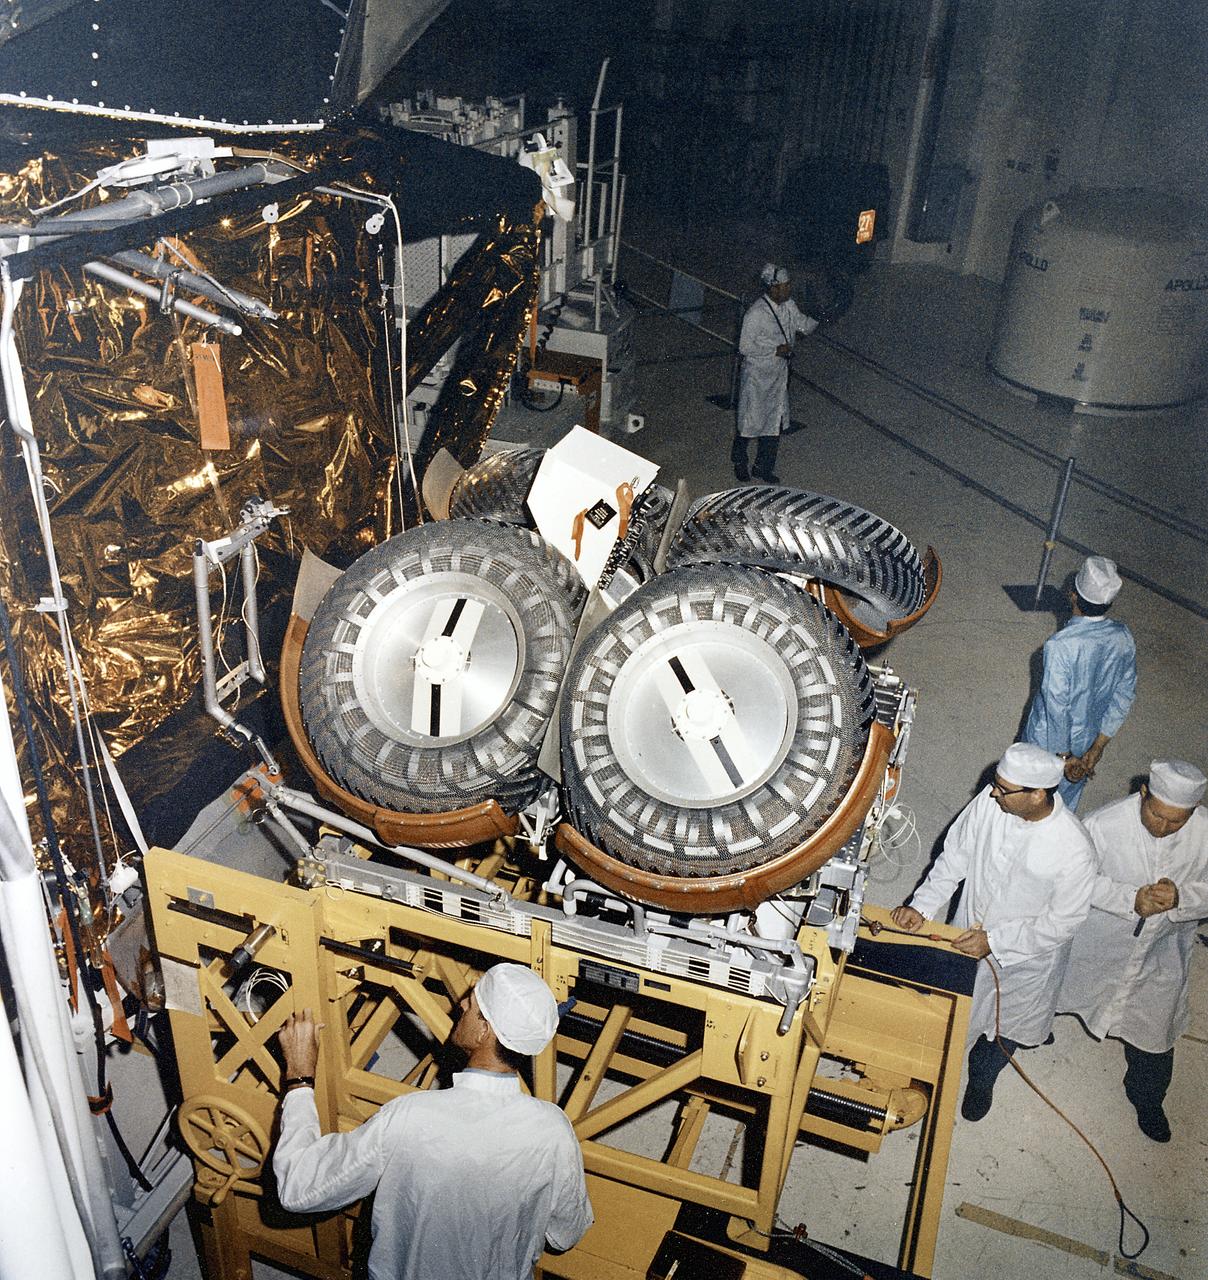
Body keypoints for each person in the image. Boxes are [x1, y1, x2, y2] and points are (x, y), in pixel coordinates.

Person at [274, 963, 593, 1279]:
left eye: (473, 1003)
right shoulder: (554, 1131)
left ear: (485, 1030)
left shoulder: (413, 1117)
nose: (461, 1005)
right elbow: (565, 1234)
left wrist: (299, 1078)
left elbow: (298, 1188)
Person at [891, 743, 1096, 1121]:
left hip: (1025, 963)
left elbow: (1064, 921)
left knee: (1004, 1031)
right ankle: (927, 1081)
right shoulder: (991, 805)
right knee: (948, 1015)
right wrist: (922, 906)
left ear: (1038, 794)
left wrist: (996, 941)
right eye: (996, 784)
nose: (992, 792)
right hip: (967, 936)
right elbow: (955, 856)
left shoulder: (1074, 849)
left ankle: (982, 1080)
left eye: (1003, 789)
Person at [1057, 759, 1208, 1143]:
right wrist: (1129, 899)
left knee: (1156, 1030)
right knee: (1058, 992)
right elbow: (1072, 878)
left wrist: (1183, 897)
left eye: (1177, 821)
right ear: (1143, 794)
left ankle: (1147, 1097)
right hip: (1100, 940)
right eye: (1156, 814)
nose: (1163, 827)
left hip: (1162, 950)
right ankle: (1031, 1034)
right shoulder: (1104, 823)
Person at [1023, 554, 1136, 812]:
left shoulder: (1059, 646)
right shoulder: (1123, 637)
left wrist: (1064, 756)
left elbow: (1056, 707)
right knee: (1064, 807)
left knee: (1030, 799)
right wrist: (1097, 748)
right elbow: (1124, 695)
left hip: (1048, 741)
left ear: (1072, 595)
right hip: (1088, 741)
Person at [732, 263, 818, 484]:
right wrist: (774, 350)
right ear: (773, 288)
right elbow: (744, 347)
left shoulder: (789, 306)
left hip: (778, 376)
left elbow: (803, 325)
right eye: (785, 286)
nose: (789, 289)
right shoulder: (756, 314)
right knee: (749, 422)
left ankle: (763, 467)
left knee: (773, 422)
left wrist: (822, 315)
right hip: (757, 377)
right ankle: (739, 461)